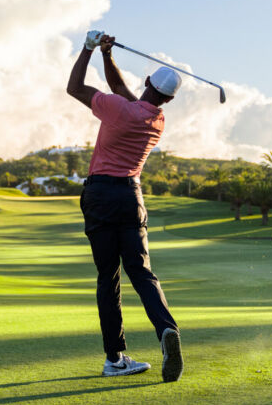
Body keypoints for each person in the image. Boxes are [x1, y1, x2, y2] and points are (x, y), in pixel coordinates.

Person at [66, 30, 184, 382]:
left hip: (100, 194)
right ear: (168, 99)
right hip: (131, 198)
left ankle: (115, 358)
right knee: (142, 272)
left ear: (147, 81)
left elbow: (75, 87)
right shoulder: (156, 121)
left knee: (108, 277)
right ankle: (165, 329)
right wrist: (107, 55)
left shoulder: (118, 109)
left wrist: (88, 49)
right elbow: (123, 92)